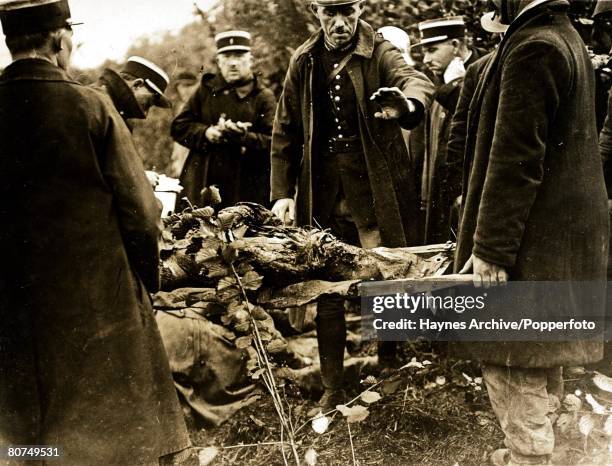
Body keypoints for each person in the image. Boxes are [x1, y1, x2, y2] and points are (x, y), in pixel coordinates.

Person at [0, 1, 190, 464]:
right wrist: (146, 281)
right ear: (61, 41)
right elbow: (144, 214)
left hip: (10, 300)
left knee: (21, 434)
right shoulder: (91, 105)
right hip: (93, 302)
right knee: (110, 435)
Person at [455, 0, 608, 464]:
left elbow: (516, 162)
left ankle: (529, 457)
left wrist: (491, 250)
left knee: (510, 350)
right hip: (559, 237)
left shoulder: (533, 46)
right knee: (544, 349)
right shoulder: (563, 35)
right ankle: (540, 451)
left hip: (530, 239)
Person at [270, 0, 434, 407]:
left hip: (372, 191)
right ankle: (332, 385)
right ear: (315, 11)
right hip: (322, 193)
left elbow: (415, 81)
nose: (340, 23)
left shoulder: (380, 51)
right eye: (330, 13)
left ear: (361, 7)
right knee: (326, 285)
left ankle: (389, 369)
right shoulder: (304, 60)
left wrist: (407, 104)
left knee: (385, 277)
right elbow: (285, 130)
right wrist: (283, 194)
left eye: (348, 11)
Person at [171, 30, 276, 208]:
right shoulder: (206, 90)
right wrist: (207, 133)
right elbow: (179, 127)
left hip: (246, 188)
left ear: (251, 60)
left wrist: (244, 137)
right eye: (227, 56)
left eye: (239, 56)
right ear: (219, 61)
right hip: (202, 185)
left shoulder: (263, 97)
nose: (233, 63)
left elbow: (275, 142)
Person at [411, 16, 484, 245]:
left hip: (470, 190)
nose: (426, 59)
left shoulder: (482, 72)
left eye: (432, 50)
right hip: (441, 189)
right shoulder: (437, 78)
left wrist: (454, 87)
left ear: (455, 45)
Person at [97, 56, 172, 131]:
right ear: (137, 84)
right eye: (146, 104)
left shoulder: (121, 119)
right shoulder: (93, 103)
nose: (145, 114)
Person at [168, 71, 200, 177]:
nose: (184, 90)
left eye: (188, 85)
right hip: (181, 152)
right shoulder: (180, 106)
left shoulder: (201, 106)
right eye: (180, 86)